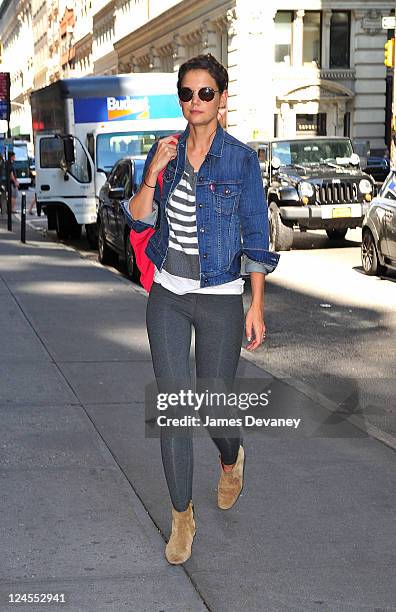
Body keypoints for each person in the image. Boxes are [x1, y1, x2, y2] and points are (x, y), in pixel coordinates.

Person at [129, 54, 280, 565]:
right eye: (188, 94)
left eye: (206, 93)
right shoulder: (164, 151)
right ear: (181, 100)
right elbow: (138, 216)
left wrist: (255, 304)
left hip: (219, 297)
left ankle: (231, 457)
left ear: (222, 99)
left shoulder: (240, 160)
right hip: (168, 295)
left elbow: (257, 236)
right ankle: (181, 516)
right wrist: (153, 172)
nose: (197, 102)